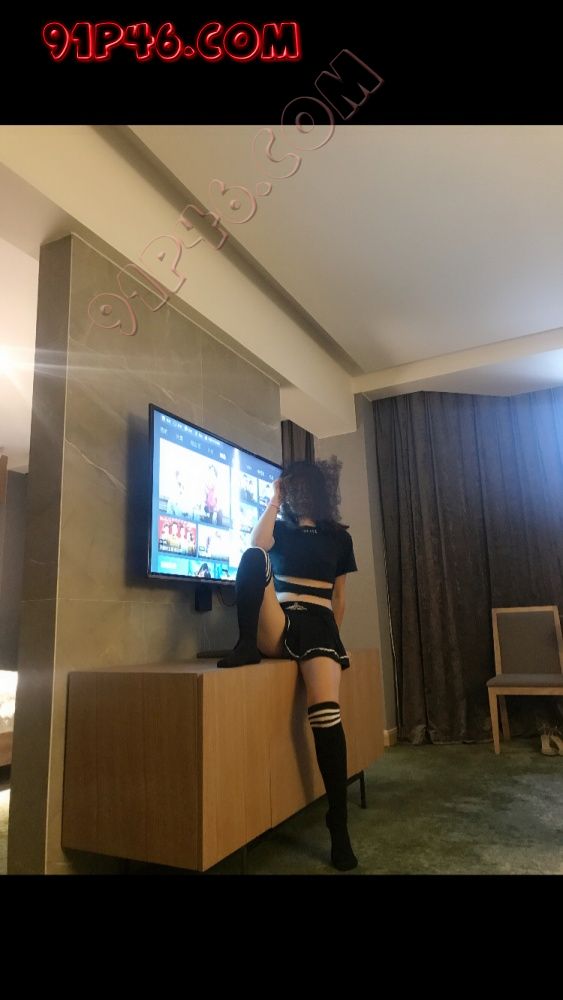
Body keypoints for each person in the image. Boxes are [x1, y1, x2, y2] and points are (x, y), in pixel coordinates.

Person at [217, 459, 359, 871]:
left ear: (318, 489)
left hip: (319, 624)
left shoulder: (339, 537)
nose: (296, 492)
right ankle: (246, 644)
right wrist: (274, 500)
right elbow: (258, 543)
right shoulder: (279, 527)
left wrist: (333, 641)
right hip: (280, 620)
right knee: (251, 555)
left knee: (326, 711)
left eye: (299, 486)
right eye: (289, 486)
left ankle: (338, 824)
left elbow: (339, 598)